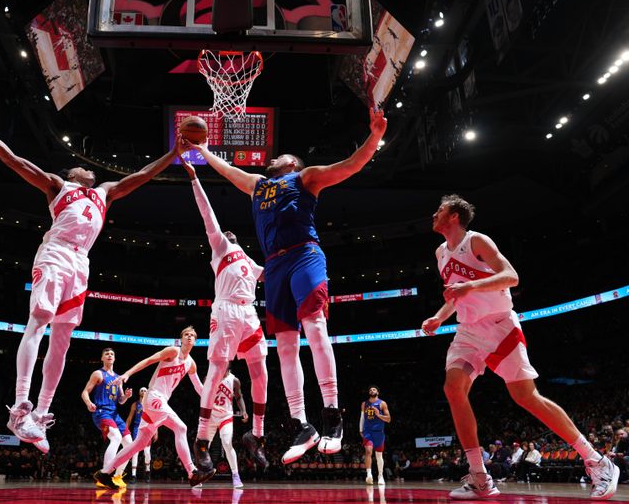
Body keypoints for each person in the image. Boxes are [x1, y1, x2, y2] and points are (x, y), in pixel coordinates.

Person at [0, 101, 179, 453]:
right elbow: (14, 161)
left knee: (62, 339)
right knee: (39, 320)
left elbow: (143, 175)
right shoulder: (58, 186)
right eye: (79, 167)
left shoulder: (104, 192)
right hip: (56, 252)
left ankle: (41, 414)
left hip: (81, 263)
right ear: (73, 176)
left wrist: (175, 153)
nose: (84, 168)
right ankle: (21, 405)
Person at [188, 107, 387, 464]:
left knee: (316, 328)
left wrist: (373, 136)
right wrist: (201, 150)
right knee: (284, 347)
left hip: (304, 256)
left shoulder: (305, 178)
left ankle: (331, 415)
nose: (274, 156)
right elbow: (228, 169)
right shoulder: (257, 185)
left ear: (292, 164)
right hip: (276, 265)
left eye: (281, 155)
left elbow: (350, 165)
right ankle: (302, 423)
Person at [421, 194, 620, 500]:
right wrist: (438, 316)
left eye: (440, 210)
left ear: (454, 217)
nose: (434, 214)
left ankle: (597, 461)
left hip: (500, 326)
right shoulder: (440, 253)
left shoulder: (477, 241)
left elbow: (511, 276)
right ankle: (479, 476)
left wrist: (471, 285)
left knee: (526, 397)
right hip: (469, 331)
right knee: (453, 387)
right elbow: (455, 296)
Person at [181, 161, 269, 473]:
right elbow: (208, 214)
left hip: (249, 311)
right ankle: (202, 440)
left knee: (260, 368)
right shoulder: (220, 248)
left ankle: (256, 434)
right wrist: (194, 179)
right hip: (227, 309)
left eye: (232, 232)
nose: (228, 231)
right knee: (216, 370)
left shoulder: (249, 260)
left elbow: (271, 272)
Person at [93, 327, 216, 489]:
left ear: (195, 340)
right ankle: (192, 472)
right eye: (186, 334)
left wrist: (213, 404)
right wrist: (128, 374)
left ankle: (105, 472)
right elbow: (149, 360)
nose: (189, 337)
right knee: (181, 428)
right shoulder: (173, 351)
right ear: (181, 339)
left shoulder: (191, 364)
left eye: (192, 335)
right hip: (153, 397)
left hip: (158, 402)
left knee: (139, 444)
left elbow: (199, 388)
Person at [81, 347, 134, 488]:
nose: (110, 355)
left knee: (130, 444)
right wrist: (88, 403)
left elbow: (121, 400)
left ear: (114, 358)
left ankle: (117, 476)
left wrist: (126, 397)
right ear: (102, 358)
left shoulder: (118, 378)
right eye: (106, 354)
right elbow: (85, 392)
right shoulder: (98, 374)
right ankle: (104, 475)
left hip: (115, 413)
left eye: (112, 354)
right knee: (116, 437)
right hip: (101, 412)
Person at [204, 366, 249, 489]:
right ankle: (201, 473)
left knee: (227, 443)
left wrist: (243, 410)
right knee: (203, 445)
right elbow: (203, 394)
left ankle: (235, 475)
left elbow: (239, 397)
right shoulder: (210, 376)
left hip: (226, 416)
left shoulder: (234, 380)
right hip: (211, 416)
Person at [361, 385, 391, 485]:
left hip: (379, 432)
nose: (372, 390)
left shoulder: (382, 403)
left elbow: (388, 419)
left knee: (379, 455)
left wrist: (378, 415)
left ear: (377, 392)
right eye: (370, 389)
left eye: (374, 389)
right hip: (368, 431)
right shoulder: (364, 404)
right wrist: (361, 429)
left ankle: (380, 475)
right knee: (368, 451)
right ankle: (369, 475)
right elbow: (362, 417)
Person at [125, 387, 156, 483]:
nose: (143, 392)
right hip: (136, 429)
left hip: (148, 428)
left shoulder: (151, 404)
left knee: (147, 452)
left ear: (148, 392)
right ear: (139, 393)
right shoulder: (135, 404)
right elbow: (129, 418)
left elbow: (155, 418)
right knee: (135, 451)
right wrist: (125, 430)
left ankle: (147, 472)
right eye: (141, 390)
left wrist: (156, 431)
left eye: (145, 390)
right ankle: (133, 475)